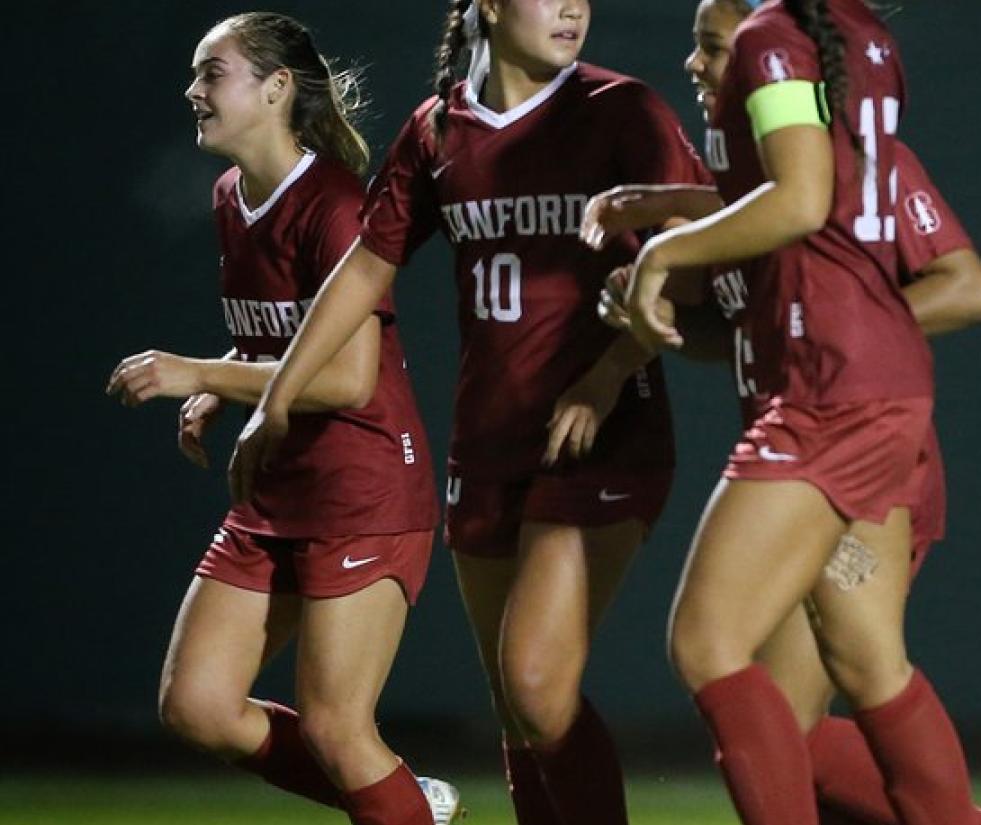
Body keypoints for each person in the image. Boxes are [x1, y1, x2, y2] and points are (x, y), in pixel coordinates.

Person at [228, 1, 712, 822]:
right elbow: (363, 270)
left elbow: (704, 244)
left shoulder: (621, 109)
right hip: (488, 447)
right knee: (517, 706)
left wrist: (610, 370)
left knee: (536, 680)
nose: (571, 8)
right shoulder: (438, 131)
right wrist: (274, 397)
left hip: (603, 434)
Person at [615, 2, 981, 823]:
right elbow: (791, 215)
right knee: (865, 666)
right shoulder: (863, 41)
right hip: (858, 398)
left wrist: (663, 247)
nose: (695, 62)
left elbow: (802, 199)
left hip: (833, 402)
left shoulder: (774, 47)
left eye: (708, 44)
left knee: (708, 644)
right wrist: (677, 216)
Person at [115, 12, 458, 824]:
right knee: (197, 703)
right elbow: (279, 337)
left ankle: (396, 801)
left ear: (275, 88)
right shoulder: (234, 194)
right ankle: (408, 803)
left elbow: (346, 377)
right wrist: (223, 381)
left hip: (363, 487)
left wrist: (195, 371)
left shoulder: (335, 203)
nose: (192, 90)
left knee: (341, 726)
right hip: (279, 486)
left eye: (212, 73)